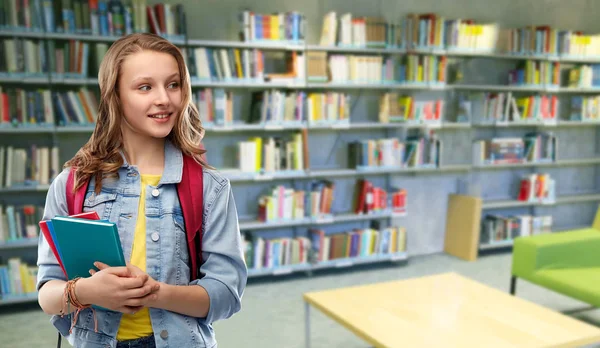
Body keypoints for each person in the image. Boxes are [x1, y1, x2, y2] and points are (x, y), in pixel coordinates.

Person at [36, 33, 247, 348]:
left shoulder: (209, 187)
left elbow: (226, 295)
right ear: (115, 95)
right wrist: (87, 291)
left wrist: (156, 293)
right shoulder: (72, 183)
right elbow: (47, 294)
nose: (164, 98)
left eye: (173, 84)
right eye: (145, 87)